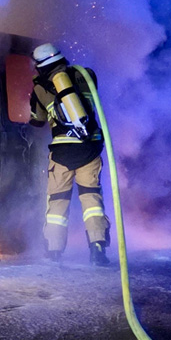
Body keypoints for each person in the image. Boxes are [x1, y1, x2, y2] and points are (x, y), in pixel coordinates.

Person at [28, 43, 112, 266]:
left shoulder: (39, 88)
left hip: (61, 155)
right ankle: (97, 249)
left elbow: (36, 121)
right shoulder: (86, 75)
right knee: (92, 199)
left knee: (57, 202)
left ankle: (54, 252)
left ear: (39, 66)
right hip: (89, 151)